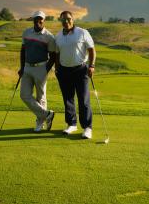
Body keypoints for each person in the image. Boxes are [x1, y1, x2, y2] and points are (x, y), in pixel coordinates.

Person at [55, 10, 96, 139]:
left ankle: (87, 127)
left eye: (68, 19)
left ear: (73, 19)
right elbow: (57, 54)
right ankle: (71, 124)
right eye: (63, 19)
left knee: (83, 99)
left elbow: (91, 50)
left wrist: (92, 66)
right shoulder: (58, 36)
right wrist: (57, 69)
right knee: (67, 99)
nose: (66, 21)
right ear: (60, 21)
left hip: (80, 70)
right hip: (64, 71)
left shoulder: (82, 32)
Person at [19, 10, 56, 132]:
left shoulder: (49, 37)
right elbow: (23, 51)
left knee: (41, 97)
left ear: (44, 21)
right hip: (27, 67)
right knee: (24, 95)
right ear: (33, 20)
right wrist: (22, 67)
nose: (38, 21)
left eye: (40, 19)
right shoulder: (26, 33)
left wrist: (46, 69)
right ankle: (47, 115)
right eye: (36, 19)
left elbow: (53, 56)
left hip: (41, 67)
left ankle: (40, 122)